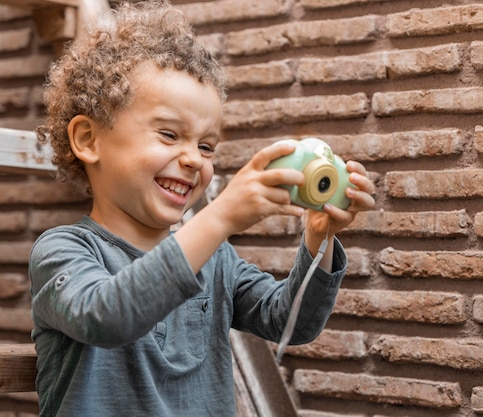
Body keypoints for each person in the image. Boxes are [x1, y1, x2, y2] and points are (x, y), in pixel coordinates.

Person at [28, 1, 375, 416]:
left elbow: (291, 323)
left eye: (206, 146)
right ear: (88, 139)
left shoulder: (216, 259)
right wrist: (221, 217)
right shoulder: (63, 251)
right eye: (169, 134)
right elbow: (108, 315)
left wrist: (320, 237)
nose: (194, 158)